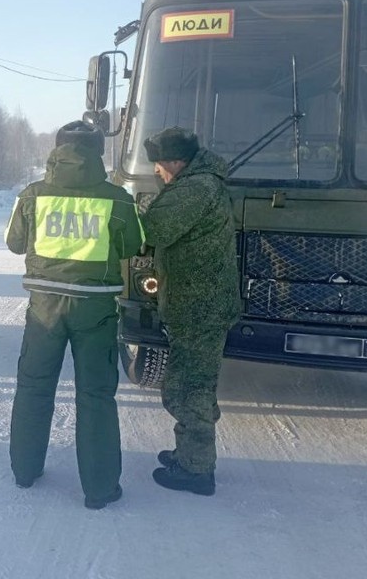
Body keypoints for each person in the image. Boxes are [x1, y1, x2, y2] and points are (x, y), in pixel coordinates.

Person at [5, 120, 144, 510]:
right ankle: (99, 490)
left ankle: (25, 472)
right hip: (96, 308)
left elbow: (14, 243)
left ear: (57, 148)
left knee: (34, 387)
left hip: (45, 308)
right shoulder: (117, 199)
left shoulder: (33, 194)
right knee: (96, 395)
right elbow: (133, 244)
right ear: (98, 152)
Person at [141, 126, 240, 496]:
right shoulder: (200, 183)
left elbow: (153, 230)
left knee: (190, 389)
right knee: (190, 384)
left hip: (200, 307)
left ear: (176, 162)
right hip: (199, 304)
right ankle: (189, 453)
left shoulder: (194, 188)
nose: (157, 173)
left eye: (159, 165)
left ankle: (196, 470)